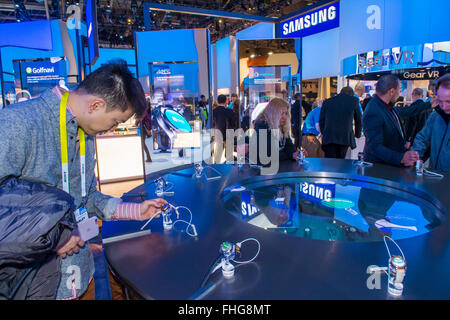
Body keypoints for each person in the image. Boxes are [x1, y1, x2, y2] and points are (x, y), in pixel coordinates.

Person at [0, 63, 168, 300]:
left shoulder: (84, 133)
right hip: (35, 286)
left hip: (81, 277)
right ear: (96, 105)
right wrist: (53, 238)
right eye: (114, 122)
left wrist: (135, 210)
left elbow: (86, 198)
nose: (111, 129)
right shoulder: (18, 124)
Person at [362, 74, 433, 167]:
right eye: (399, 90)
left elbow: (406, 111)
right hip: (380, 169)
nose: (399, 93)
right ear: (391, 91)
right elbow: (375, 147)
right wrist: (401, 157)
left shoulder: (386, 106)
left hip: (387, 166)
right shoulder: (374, 111)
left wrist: (429, 104)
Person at [240, 98, 300, 165]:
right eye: (281, 113)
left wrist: (294, 154)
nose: (284, 117)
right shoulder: (262, 127)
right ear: (273, 114)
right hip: (261, 172)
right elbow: (268, 156)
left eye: (286, 113)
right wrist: (288, 155)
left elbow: (289, 146)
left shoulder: (282, 127)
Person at [411, 73, 450, 172]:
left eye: (449, 102)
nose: (444, 107)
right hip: (435, 177)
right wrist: (414, 155)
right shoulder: (435, 116)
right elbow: (422, 138)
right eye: (440, 101)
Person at [319, 86, 362, 159]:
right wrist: (357, 134)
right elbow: (359, 119)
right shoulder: (354, 101)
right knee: (342, 163)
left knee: (329, 164)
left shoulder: (327, 102)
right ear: (351, 94)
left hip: (329, 137)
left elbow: (321, 120)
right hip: (344, 137)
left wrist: (324, 132)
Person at [212, 94, 236, 161]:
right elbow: (233, 123)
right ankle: (228, 170)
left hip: (218, 135)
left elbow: (212, 124)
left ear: (217, 101)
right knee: (229, 156)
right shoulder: (230, 111)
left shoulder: (214, 112)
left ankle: (217, 169)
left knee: (217, 156)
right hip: (228, 135)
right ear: (226, 101)